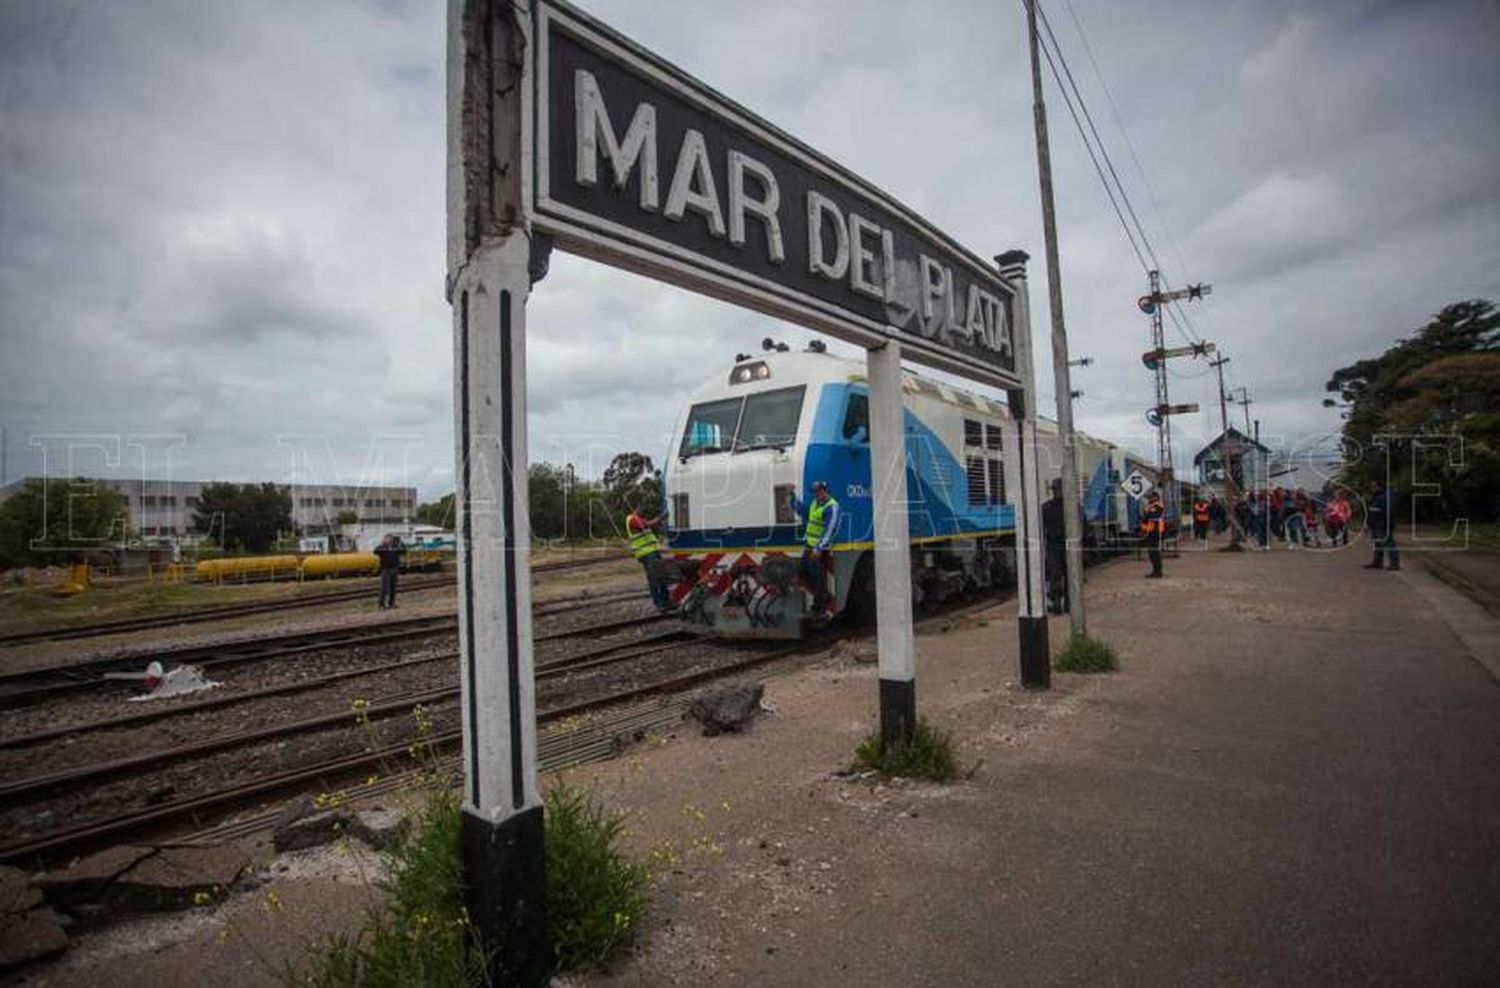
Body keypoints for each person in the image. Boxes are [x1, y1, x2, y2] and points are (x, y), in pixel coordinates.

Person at [794, 481, 840, 614]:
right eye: (814, 492)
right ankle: (818, 597)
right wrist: (792, 498)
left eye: (819, 491)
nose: (816, 494)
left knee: (817, 575)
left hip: (820, 549)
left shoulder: (832, 507)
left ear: (825, 491)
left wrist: (819, 548)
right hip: (810, 545)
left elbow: (829, 530)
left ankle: (820, 603)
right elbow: (805, 512)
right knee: (802, 571)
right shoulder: (815, 504)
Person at [625, 503, 672, 612]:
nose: (643, 511)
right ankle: (660, 604)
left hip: (651, 552)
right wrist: (662, 516)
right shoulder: (632, 519)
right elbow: (648, 525)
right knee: (655, 578)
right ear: (635, 508)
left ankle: (666, 602)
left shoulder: (640, 519)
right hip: (646, 553)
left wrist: (659, 522)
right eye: (641, 508)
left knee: (661, 576)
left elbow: (652, 526)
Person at [1041, 479, 1067, 613]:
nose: (1057, 492)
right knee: (1055, 573)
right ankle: (1056, 602)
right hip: (1054, 545)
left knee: (1069, 575)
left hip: (1068, 545)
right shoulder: (1046, 508)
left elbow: (1083, 526)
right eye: (1055, 490)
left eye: (1059, 489)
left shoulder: (1072, 506)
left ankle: (1069, 604)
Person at [1364, 480, 1401, 571]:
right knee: (1378, 544)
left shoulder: (1385, 497)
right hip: (1376, 524)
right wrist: (1368, 523)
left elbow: (1387, 512)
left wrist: (1385, 524)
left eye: (1374, 486)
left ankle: (1394, 564)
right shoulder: (1376, 497)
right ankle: (1377, 562)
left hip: (1382, 525)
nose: (1372, 488)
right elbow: (1372, 511)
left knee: (1388, 543)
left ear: (1380, 487)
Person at [374, 534, 405, 609]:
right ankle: (381, 604)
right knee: (384, 587)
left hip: (394, 568)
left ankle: (391, 603)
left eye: (391, 539)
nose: (390, 540)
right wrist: (382, 545)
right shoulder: (382, 548)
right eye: (388, 539)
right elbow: (375, 551)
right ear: (385, 539)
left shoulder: (395, 547)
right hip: (385, 569)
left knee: (393, 587)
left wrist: (401, 542)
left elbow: (404, 551)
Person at [1140, 490, 1165, 578]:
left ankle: (1157, 572)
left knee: (1154, 552)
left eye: (1150, 497)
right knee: (1152, 552)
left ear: (1155, 497)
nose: (1149, 499)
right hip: (1150, 532)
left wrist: (1146, 515)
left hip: (1155, 531)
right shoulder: (1151, 506)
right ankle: (1156, 570)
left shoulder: (1157, 506)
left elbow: (1152, 517)